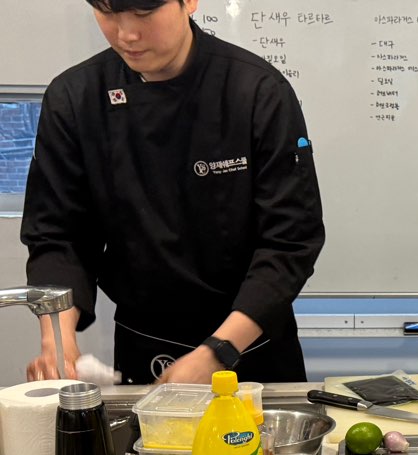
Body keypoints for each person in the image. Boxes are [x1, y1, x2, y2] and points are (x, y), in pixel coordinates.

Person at [21, 0, 325, 384]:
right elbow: (58, 236)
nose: (126, 34)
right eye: (107, 13)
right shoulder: (75, 97)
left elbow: (290, 241)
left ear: (189, 2)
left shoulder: (257, 91)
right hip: (143, 342)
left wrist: (219, 351)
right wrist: (57, 340)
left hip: (251, 344)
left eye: (144, 13)